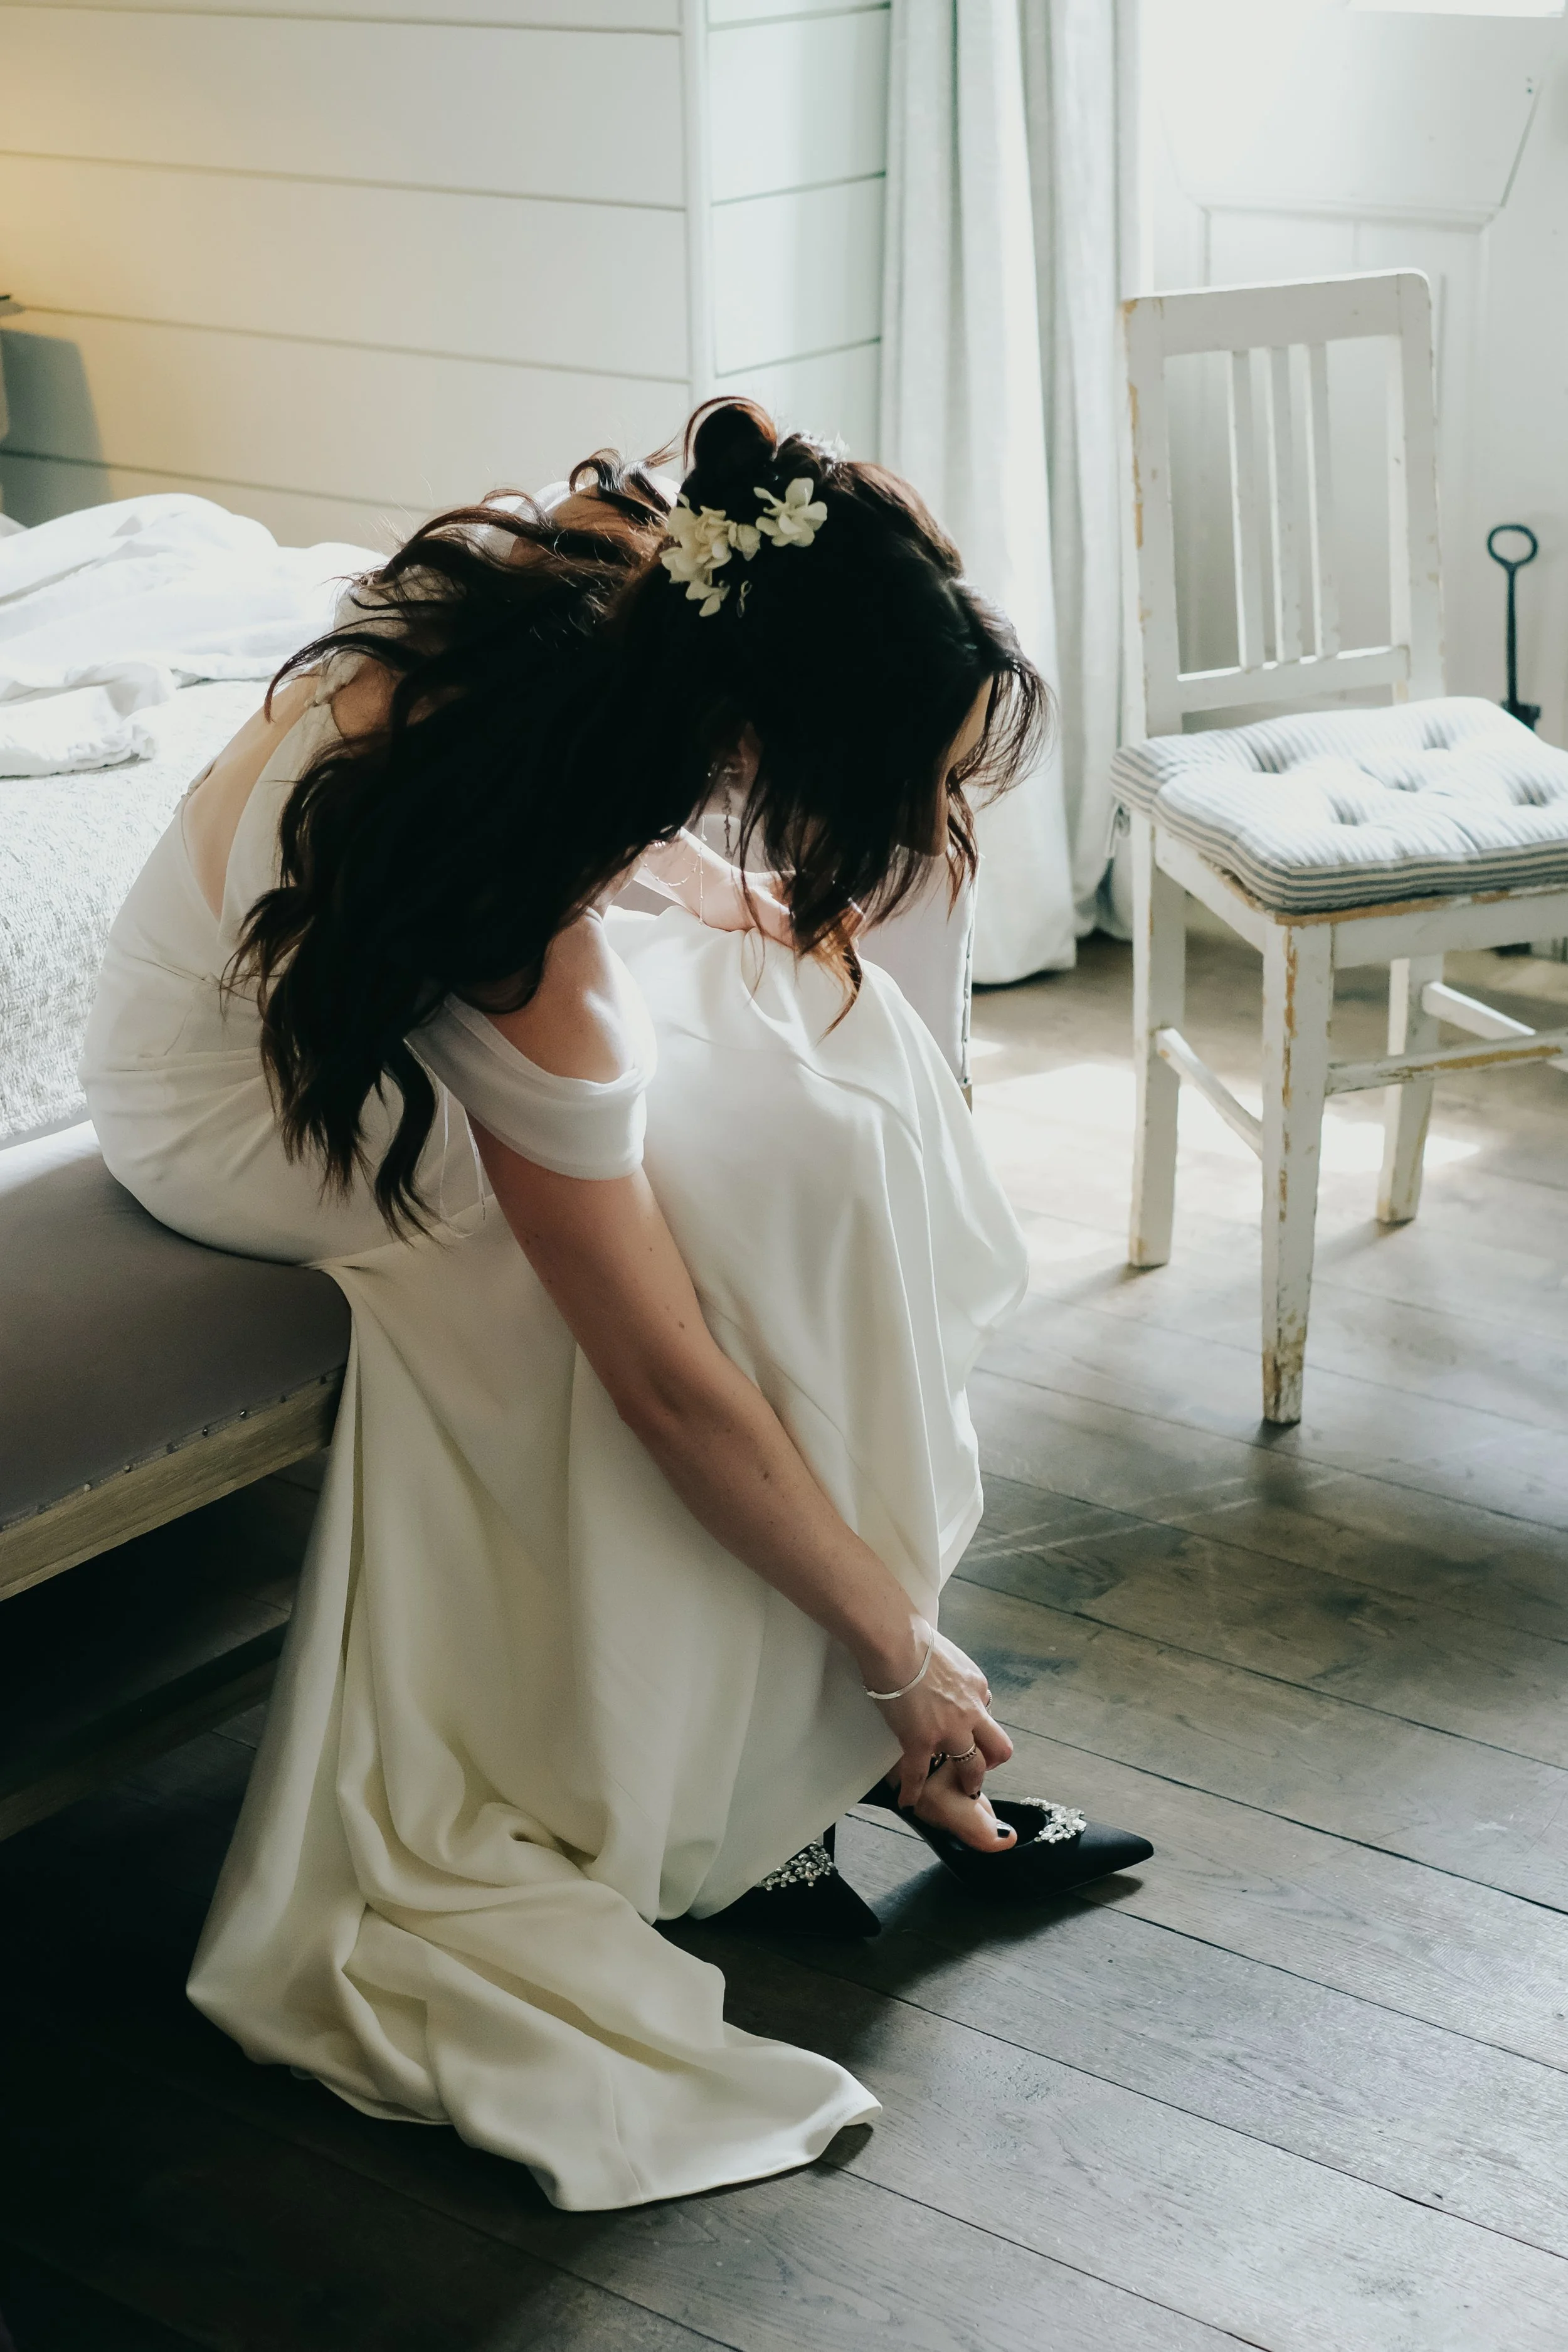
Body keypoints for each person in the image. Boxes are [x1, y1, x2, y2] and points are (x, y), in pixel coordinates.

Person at [82, 400, 1150, 2213]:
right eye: (910, 781)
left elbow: (566, 779)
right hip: (242, 1107)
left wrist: (719, 891)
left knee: (821, 1083)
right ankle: (852, 1712)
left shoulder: (617, 610)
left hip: (377, 959)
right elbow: (662, 1376)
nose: (922, 830)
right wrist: (886, 1635)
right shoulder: (525, 925)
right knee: (684, 1273)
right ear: (765, 732)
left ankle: (818, 1731)